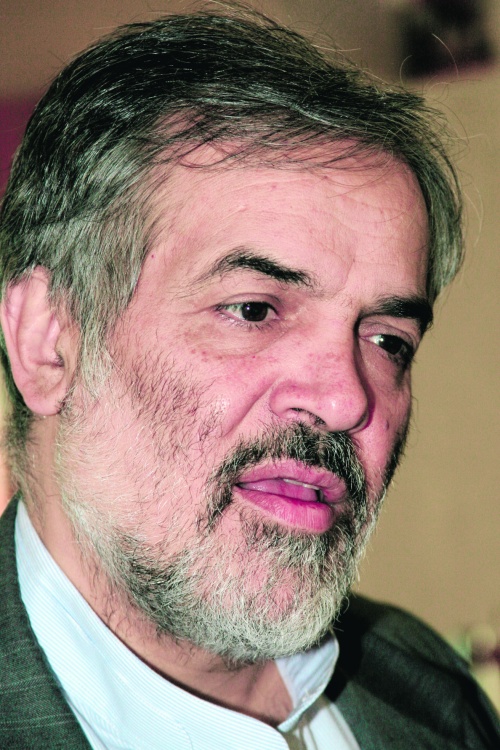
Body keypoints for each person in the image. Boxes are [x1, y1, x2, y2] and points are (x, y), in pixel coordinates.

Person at [0, 6, 498, 749]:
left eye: (388, 341)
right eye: (254, 310)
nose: (346, 399)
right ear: (48, 343)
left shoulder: (432, 694)